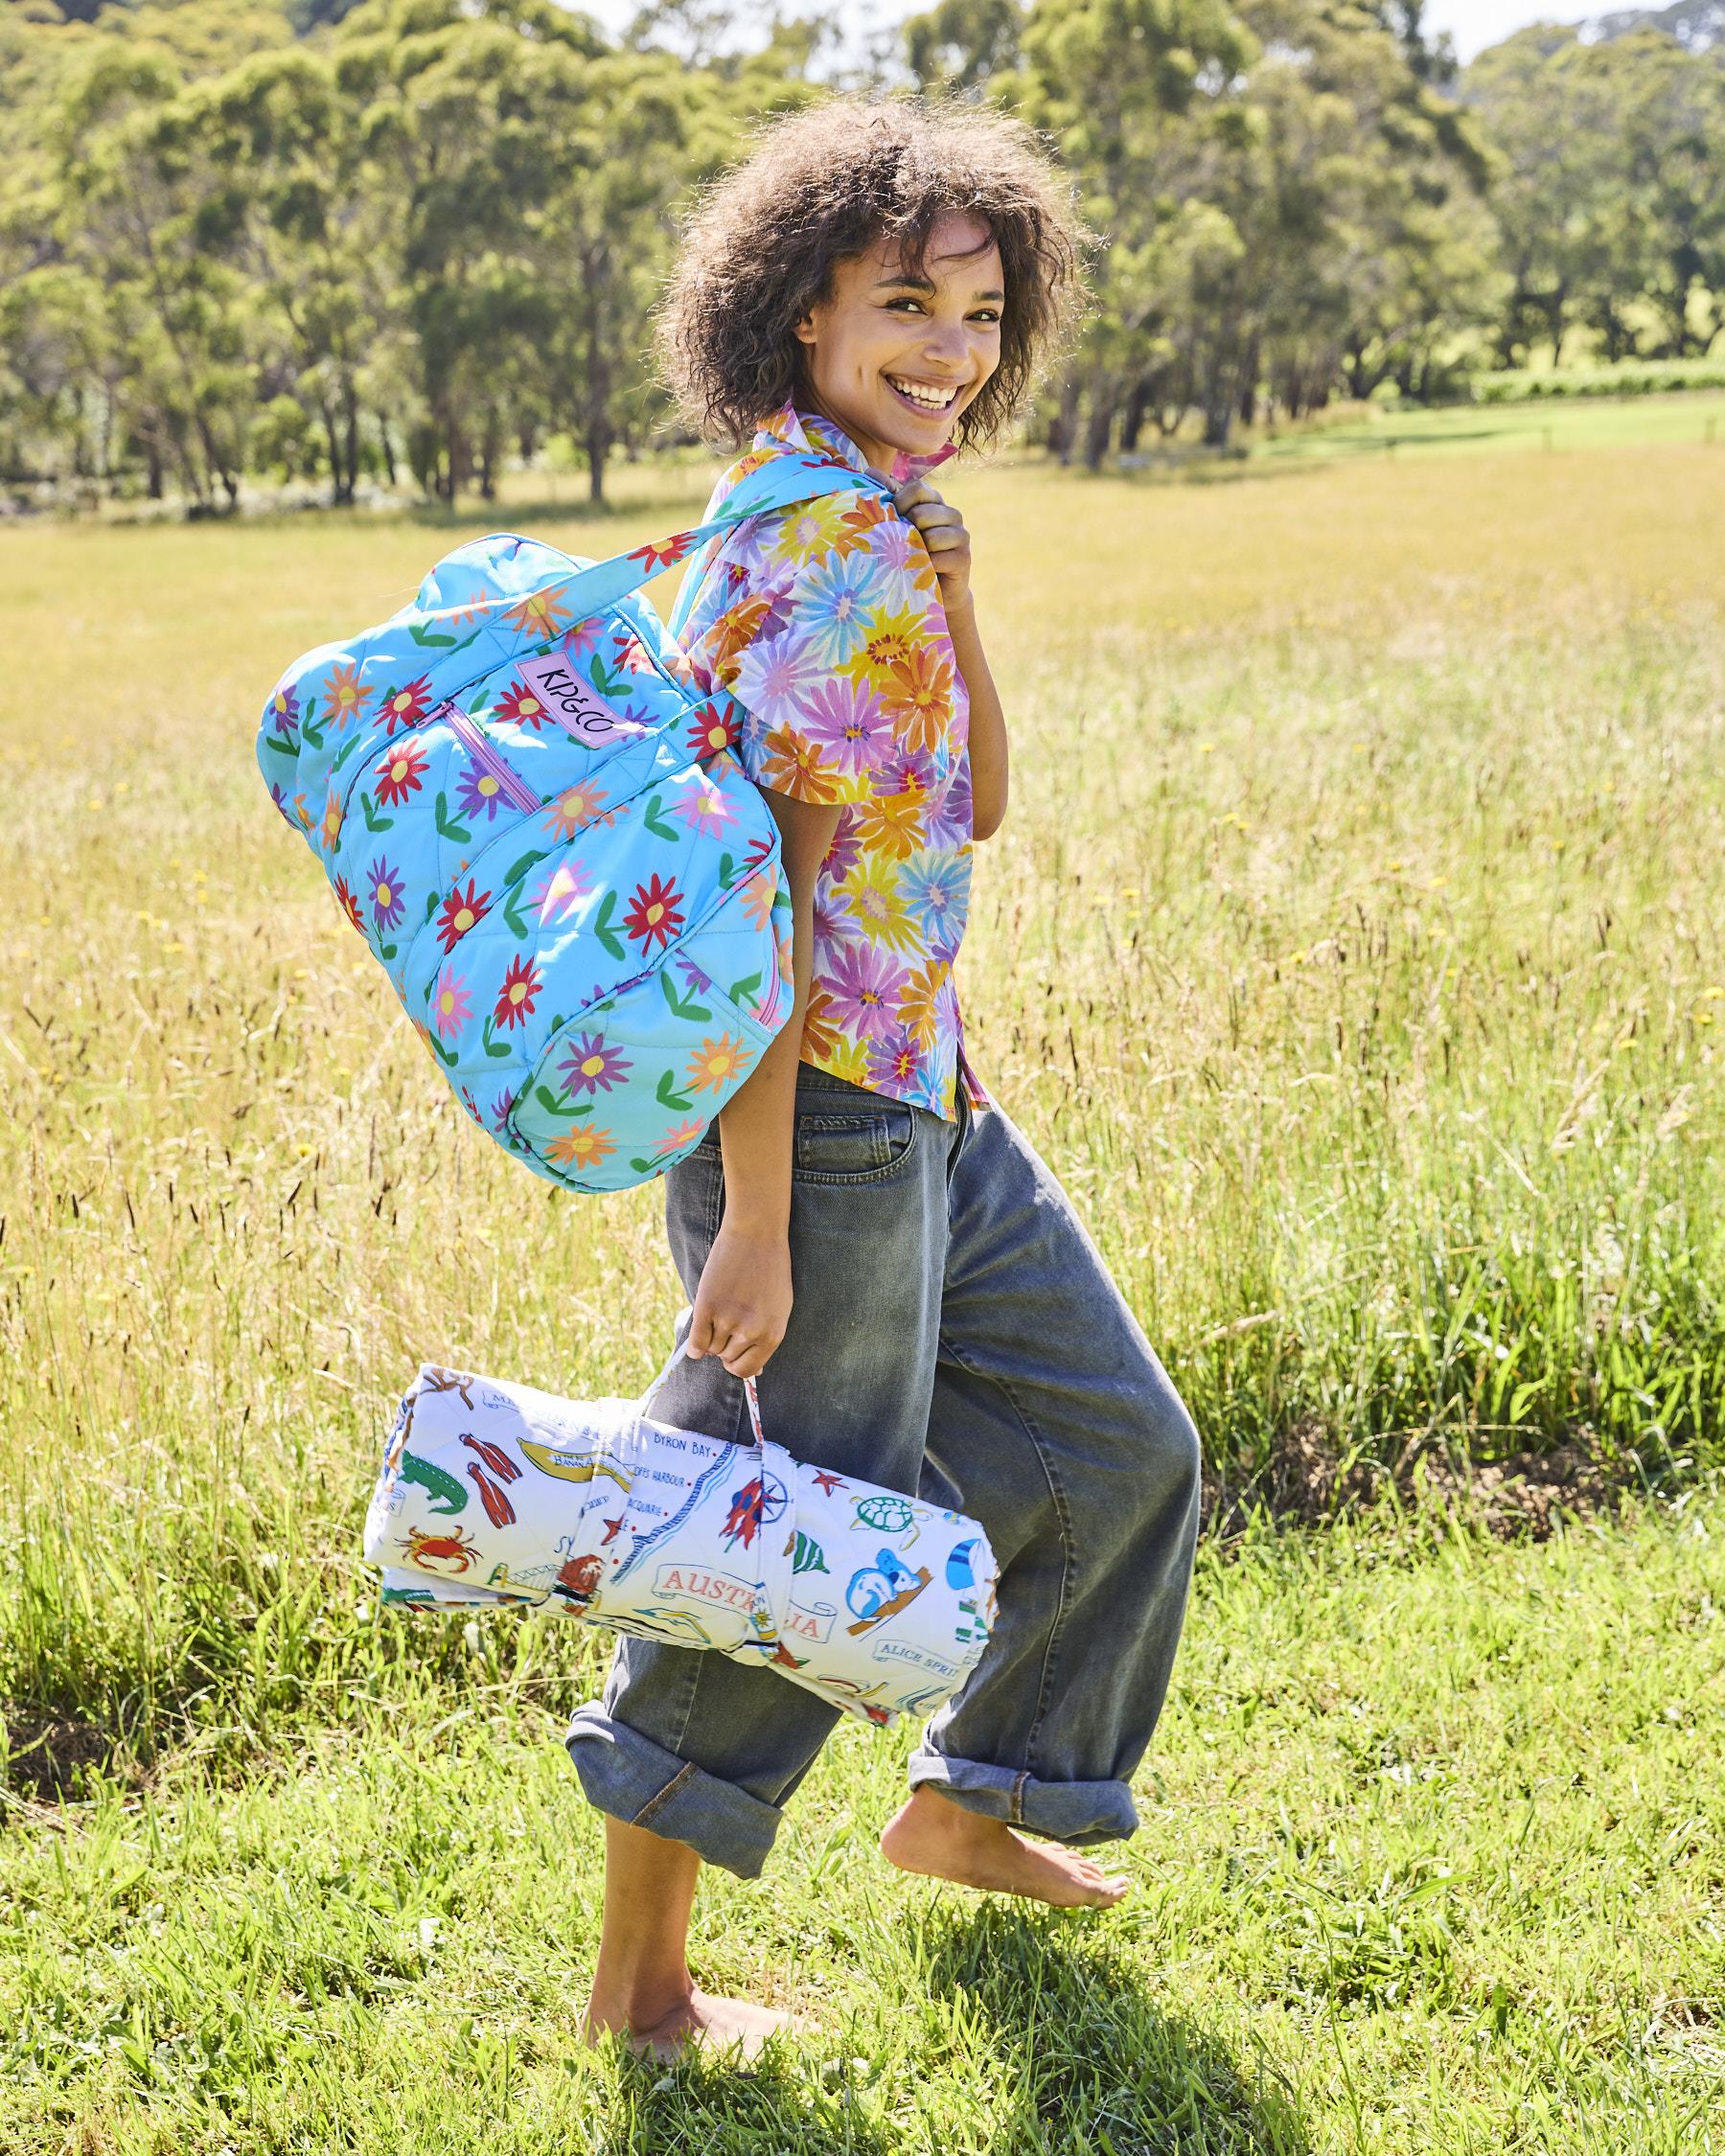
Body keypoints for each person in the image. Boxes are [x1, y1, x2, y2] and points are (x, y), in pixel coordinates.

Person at [566, 97, 1204, 2057]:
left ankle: (981, 1795)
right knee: (762, 1548)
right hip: (816, 1135)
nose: (953, 346)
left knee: (1119, 1450)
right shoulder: (815, 549)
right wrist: (758, 1216)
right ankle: (642, 1996)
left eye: (985, 311)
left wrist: (963, 584)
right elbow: (764, 906)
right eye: (906, 303)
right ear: (801, 311)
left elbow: (971, 812)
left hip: (915, 1101)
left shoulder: (872, 530)